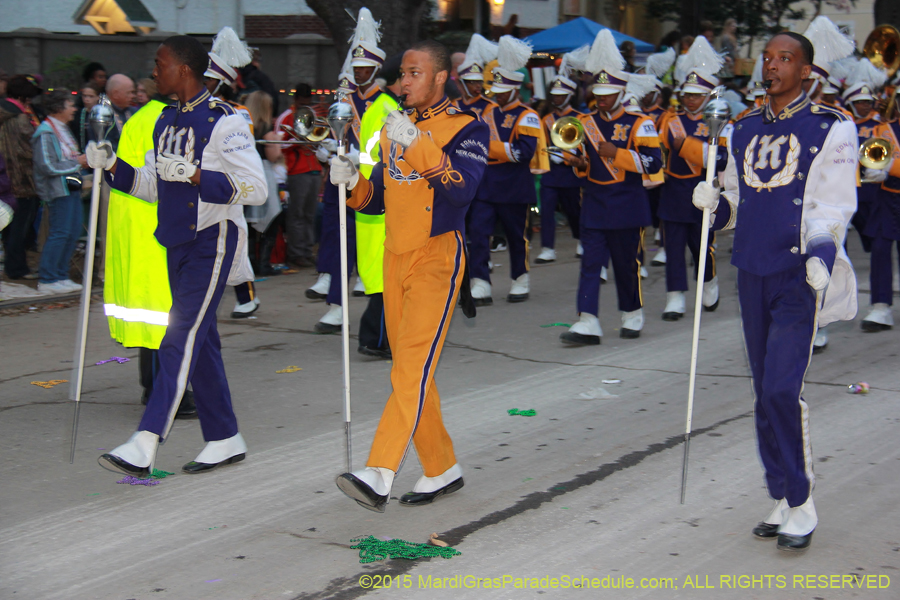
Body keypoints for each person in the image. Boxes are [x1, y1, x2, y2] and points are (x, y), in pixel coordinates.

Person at [692, 31, 858, 552]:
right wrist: (711, 206)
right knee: (762, 391)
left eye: (785, 59)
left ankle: (803, 500)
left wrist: (820, 257)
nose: (773, 67)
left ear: (806, 70)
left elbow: (833, 208)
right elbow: (737, 202)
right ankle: (782, 494)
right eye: (767, 58)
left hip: (798, 273)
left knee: (783, 388)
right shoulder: (740, 129)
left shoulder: (832, 127)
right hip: (752, 270)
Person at [89, 35, 267, 477]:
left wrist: (196, 174)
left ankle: (146, 441)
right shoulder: (164, 121)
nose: (154, 71)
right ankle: (225, 437)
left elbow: (256, 189)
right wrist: (111, 166)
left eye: (160, 64)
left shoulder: (227, 121)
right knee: (201, 342)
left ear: (184, 69)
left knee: (179, 335)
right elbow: (151, 185)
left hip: (213, 238)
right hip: (176, 241)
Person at [331, 39, 489, 512]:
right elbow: (376, 199)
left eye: (414, 73)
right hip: (394, 254)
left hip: (438, 257)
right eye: (402, 74)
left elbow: (461, 192)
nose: (403, 82)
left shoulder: (468, 128)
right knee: (412, 373)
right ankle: (441, 466)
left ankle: (380, 470)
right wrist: (349, 181)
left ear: (440, 77)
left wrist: (416, 143)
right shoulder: (395, 125)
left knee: (410, 369)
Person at [560, 30, 662, 345]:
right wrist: (579, 165)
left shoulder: (640, 122)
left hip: (627, 206)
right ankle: (587, 320)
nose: (601, 98)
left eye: (607, 93)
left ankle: (632, 313)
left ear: (620, 92)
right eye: (598, 92)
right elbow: (582, 162)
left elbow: (654, 164)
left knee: (626, 265)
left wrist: (616, 154)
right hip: (593, 203)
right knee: (590, 264)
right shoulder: (582, 121)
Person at [102, 88, 197, 418]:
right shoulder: (168, 120)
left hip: (136, 223)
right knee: (166, 314)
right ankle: (169, 392)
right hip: (159, 223)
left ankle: (152, 385)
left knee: (152, 315)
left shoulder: (139, 118)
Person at [469, 35, 544, 305]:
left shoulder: (528, 116)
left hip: (514, 186)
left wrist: (489, 147)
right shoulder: (488, 113)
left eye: (501, 90)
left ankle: (520, 278)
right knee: (478, 233)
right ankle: (480, 282)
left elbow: (523, 153)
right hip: (486, 184)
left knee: (516, 236)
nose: (496, 94)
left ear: (514, 89)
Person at [657, 36, 726, 322]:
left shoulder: (720, 122)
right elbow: (659, 150)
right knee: (672, 248)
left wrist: (686, 146)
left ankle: (708, 282)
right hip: (673, 191)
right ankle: (675, 297)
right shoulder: (670, 120)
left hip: (702, 193)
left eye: (696, 94)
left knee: (701, 248)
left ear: (709, 95)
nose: (690, 99)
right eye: (687, 94)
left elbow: (721, 159)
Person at [204, 26, 261, 319]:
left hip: (229, 187)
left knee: (234, 245)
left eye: (208, 79)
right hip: (202, 188)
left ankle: (246, 296)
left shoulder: (237, 113)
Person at [31, 89, 88, 294]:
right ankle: (47, 278)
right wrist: (77, 163)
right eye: (70, 104)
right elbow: (46, 166)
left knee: (72, 231)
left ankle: (60, 275)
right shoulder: (45, 132)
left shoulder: (62, 128)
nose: (74, 108)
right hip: (58, 190)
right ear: (59, 107)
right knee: (60, 232)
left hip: (71, 187)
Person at [535, 51, 584, 265]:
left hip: (572, 172)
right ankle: (547, 247)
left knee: (574, 210)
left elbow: (581, 148)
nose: (556, 98)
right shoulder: (546, 119)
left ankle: (581, 239)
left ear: (569, 95)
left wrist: (564, 155)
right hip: (551, 172)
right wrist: (549, 154)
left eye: (560, 95)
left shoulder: (580, 118)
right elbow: (543, 144)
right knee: (546, 209)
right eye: (553, 95)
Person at [0, 74, 42, 281]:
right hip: (23, 179)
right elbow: (28, 149)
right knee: (20, 226)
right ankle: (17, 268)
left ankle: (11, 265)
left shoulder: (4, 112)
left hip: (5, 179)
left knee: (9, 225)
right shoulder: (19, 117)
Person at [275, 83, 321, 269]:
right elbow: (278, 145)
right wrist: (298, 138)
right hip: (296, 171)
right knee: (297, 215)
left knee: (310, 214)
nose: (306, 106)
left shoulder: (313, 115)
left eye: (308, 103)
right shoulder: (286, 117)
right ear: (296, 100)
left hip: (314, 168)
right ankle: (296, 253)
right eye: (302, 103)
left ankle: (307, 251)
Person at [244, 90, 284, 278]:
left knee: (250, 222)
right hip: (265, 173)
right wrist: (277, 142)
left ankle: (251, 262)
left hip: (247, 173)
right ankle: (264, 263)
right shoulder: (267, 130)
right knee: (271, 219)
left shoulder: (244, 127)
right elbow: (274, 156)